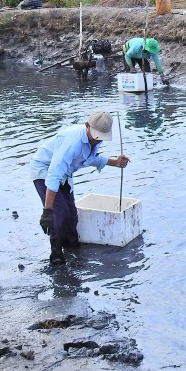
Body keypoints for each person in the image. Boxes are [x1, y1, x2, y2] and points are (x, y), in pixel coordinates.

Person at [30, 111, 130, 265]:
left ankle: (72, 249)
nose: (97, 140)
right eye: (95, 135)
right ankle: (56, 257)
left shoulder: (94, 141)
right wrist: (47, 212)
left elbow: (89, 159)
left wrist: (115, 162)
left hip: (65, 174)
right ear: (87, 126)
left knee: (72, 215)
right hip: (45, 170)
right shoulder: (72, 142)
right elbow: (54, 175)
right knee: (60, 213)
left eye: (100, 138)